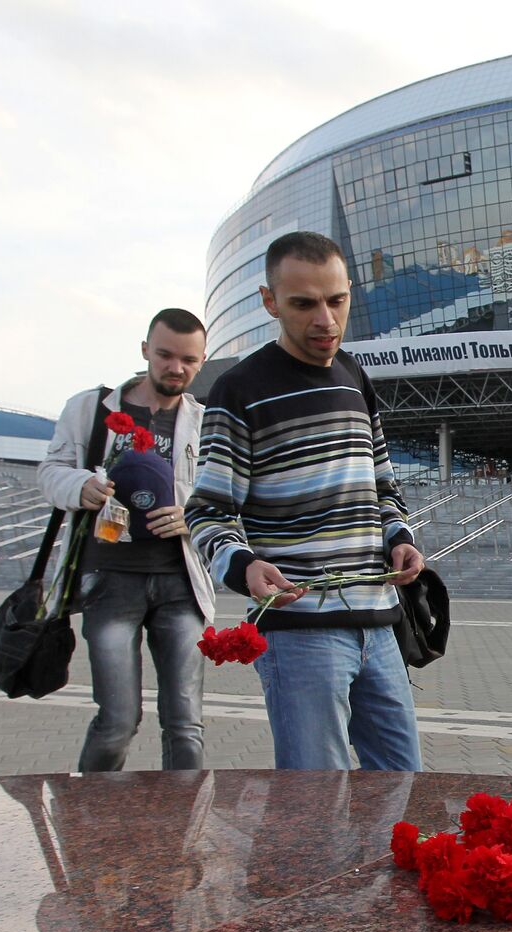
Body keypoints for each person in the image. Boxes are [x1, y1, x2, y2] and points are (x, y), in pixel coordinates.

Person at [185, 231, 424, 771]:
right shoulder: (240, 388)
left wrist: (400, 538)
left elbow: (383, 485)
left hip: (379, 621)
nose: (326, 319)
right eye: (303, 303)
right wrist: (242, 565)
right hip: (299, 633)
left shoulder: (355, 377)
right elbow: (206, 510)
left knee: (403, 785)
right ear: (270, 302)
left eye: (336, 300)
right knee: (315, 804)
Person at [38, 309, 214, 771]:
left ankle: (184, 834)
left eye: (188, 360)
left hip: (181, 586)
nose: (176, 367)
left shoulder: (207, 421)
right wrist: (81, 486)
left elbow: (228, 492)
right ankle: (87, 828)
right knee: (117, 721)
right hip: (110, 581)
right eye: (165, 355)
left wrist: (191, 514)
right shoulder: (92, 409)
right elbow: (50, 473)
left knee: (186, 725)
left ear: (201, 362)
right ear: (144, 351)